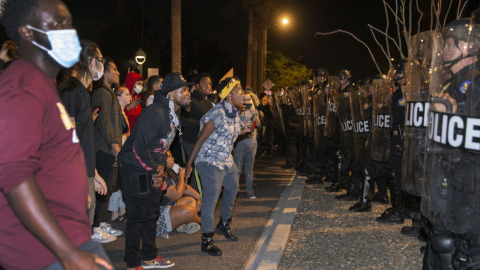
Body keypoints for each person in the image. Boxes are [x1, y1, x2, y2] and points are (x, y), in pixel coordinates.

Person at [0, 0, 113, 269]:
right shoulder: (22, 85)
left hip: (66, 241)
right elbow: (14, 175)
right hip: (46, 252)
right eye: (56, 24)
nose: (67, 31)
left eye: (69, 23)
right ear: (27, 32)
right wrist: (68, 254)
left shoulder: (43, 83)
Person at [117, 72, 191, 269]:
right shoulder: (156, 112)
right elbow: (139, 147)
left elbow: (159, 147)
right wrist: (155, 173)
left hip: (149, 169)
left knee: (151, 214)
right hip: (136, 170)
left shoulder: (171, 115)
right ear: (170, 94)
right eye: (182, 90)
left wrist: (160, 171)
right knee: (138, 216)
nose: (188, 93)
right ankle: (133, 262)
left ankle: (149, 256)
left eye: (187, 89)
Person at [185, 77, 253, 256]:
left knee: (233, 187)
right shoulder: (217, 114)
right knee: (211, 196)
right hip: (209, 160)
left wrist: (244, 130)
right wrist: (189, 164)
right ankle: (206, 239)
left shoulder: (234, 113)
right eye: (238, 90)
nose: (243, 93)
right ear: (229, 95)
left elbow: (232, 132)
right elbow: (200, 139)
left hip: (225, 159)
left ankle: (223, 224)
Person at [58, 40, 115, 242]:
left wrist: (94, 173)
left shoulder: (82, 91)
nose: (102, 66)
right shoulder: (70, 90)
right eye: (101, 60)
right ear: (91, 61)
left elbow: (82, 140)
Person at [91, 57, 124, 237]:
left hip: (108, 148)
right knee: (102, 189)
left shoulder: (108, 92)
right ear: (105, 72)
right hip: (104, 149)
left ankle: (102, 223)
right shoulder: (103, 93)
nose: (118, 73)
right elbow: (105, 123)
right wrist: (116, 149)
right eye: (115, 69)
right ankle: (96, 228)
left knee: (108, 188)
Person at [156, 150, 202, 238]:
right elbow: (177, 194)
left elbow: (182, 188)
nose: (173, 158)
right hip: (159, 217)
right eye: (169, 157)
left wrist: (198, 197)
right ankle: (202, 222)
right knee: (189, 211)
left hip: (167, 208)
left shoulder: (168, 173)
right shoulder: (159, 177)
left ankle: (183, 223)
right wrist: (181, 175)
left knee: (191, 201)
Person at [180, 73, 214, 192]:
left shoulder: (209, 103)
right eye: (205, 83)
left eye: (209, 83)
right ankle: (194, 200)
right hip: (191, 141)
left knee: (201, 170)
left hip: (204, 143)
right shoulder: (191, 100)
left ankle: (200, 198)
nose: (208, 86)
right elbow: (182, 120)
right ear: (197, 85)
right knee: (196, 170)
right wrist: (202, 125)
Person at [234, 90, 262, 199]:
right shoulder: (237, 111)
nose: (246, 101)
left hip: (252, 142)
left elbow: (258, 124)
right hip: (240, 142)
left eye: (248, 99)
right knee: (237, 169)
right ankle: (235, 191)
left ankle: (250, 191)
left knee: (249, 169)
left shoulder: (253, 110)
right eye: (244, 99)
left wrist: (253, 113)